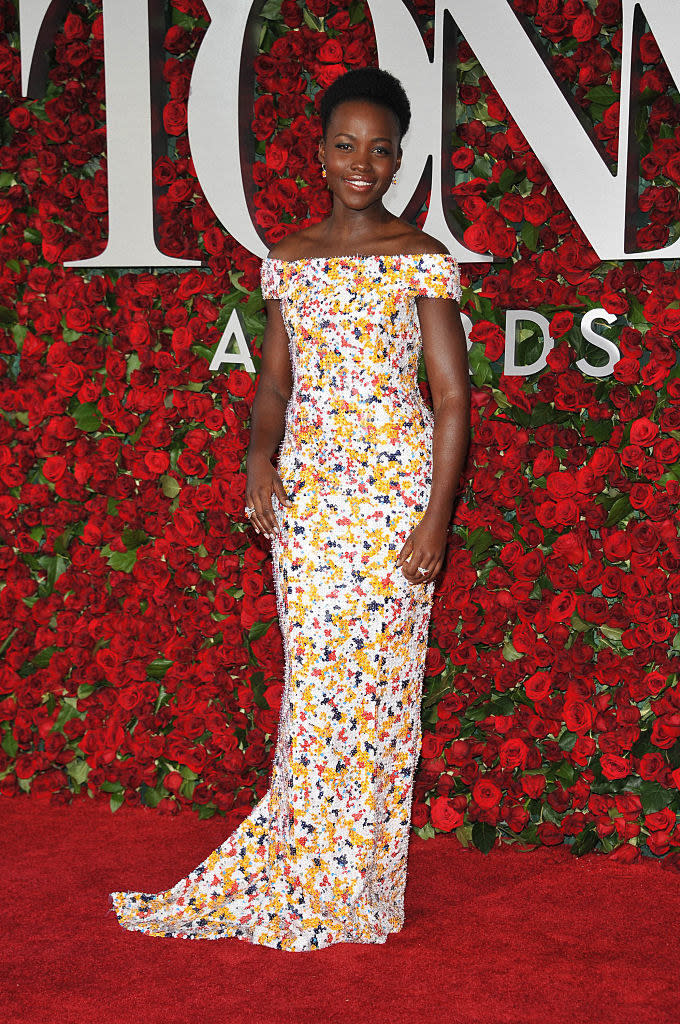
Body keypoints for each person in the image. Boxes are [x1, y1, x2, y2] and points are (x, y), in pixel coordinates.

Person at [110, 67, 470, 952]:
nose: (362, 162)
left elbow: (454, 401)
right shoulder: (288, 256)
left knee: (378, 694)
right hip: (308, 502)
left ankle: (362, 889)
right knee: (317, 696)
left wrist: (435, 521)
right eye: (345, 145)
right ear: (319, 153)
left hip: (390, 501)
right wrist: (257, 457)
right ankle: (306, 869)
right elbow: (273, 385)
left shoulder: (420, 258)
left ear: (398, 159)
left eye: (379, 148)